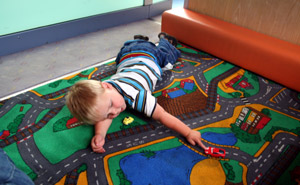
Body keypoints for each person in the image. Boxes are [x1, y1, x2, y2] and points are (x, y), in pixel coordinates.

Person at [66, 33, 207, 153]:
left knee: (168, 61)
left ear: (107, 86)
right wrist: (99, 134)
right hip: (126, 54)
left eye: (111, 105)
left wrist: (188, 132)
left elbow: (162, 115)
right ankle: (139, 40)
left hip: (151, 55)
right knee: (129, 50)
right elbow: (104, 116)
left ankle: (166, 41)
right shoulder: (107, 88)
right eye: (109, 114)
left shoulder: (137, 96)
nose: (115, 112)